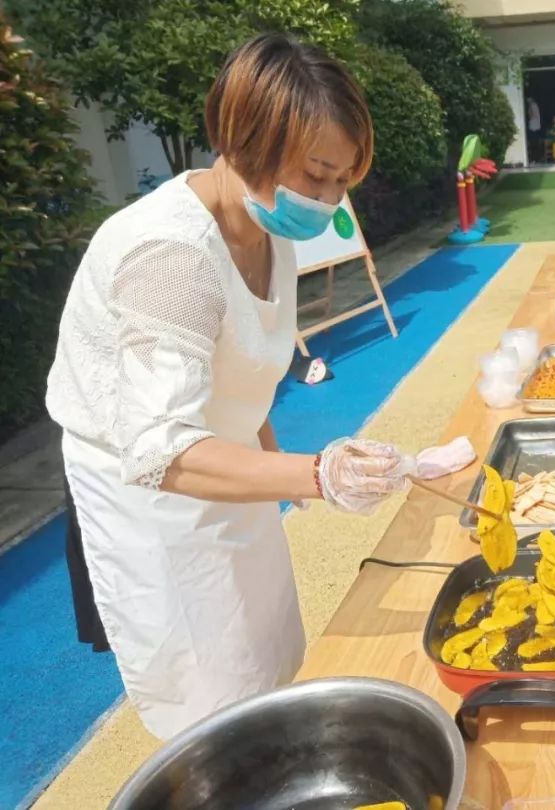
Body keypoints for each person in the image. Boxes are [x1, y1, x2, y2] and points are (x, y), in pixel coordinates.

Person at [46, 34, 426, 740]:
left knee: (266, 641)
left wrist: (284, 477)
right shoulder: (170, 256)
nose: (329, 200)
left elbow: (242, 371)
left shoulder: (265, 225)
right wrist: (316, 474)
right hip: (150, 492)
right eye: (318, 174)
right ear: (248, 136)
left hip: (225, 457)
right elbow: (162, 450)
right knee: (208, 689)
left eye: (344, 180)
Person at [526, 96, 542, 163]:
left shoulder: (533, 105)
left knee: (534, 144)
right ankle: (535, 158)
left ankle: (534, 159)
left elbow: (533, 115)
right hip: (535, 126)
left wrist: (529, 114)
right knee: (535, 143)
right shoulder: (533, 105)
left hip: (533, 127)